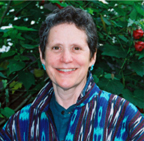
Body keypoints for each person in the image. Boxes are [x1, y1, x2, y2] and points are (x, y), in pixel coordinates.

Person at [0, 6, 144, 141]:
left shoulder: (126, 119)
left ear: (92, 57)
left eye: (76, 48)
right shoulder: (18, 126)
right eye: (56, 47)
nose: (66, 59)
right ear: (42, 56)